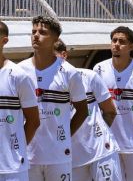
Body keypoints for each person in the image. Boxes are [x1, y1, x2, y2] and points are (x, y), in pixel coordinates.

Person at [18, 16, 88, 181]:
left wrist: (64, 136)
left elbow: (83, 110)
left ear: (55, 38)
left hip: (58, 155)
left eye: (42, 32)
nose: (36, 35)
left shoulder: (69, 72)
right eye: (33, 31)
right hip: (27, 155)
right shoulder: (19, 71)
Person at [93, 26, 133, 181]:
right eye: (114, 40)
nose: (116, 45)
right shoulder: (99, 69)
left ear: (131, 46)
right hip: (108, 142)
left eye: (122, 41)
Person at [54, 39, 123, 181]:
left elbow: (110, 111)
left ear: (64, 55)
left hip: (100, 151)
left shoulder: (88, 76)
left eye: (52, 57)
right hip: (71, 157)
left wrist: (97, 133)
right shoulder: (40, 83)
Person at [0, 21, 40, 181]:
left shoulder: (18, 76)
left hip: (13, 169)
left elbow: (33, 120)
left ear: (4, 41)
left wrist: (16, 149)